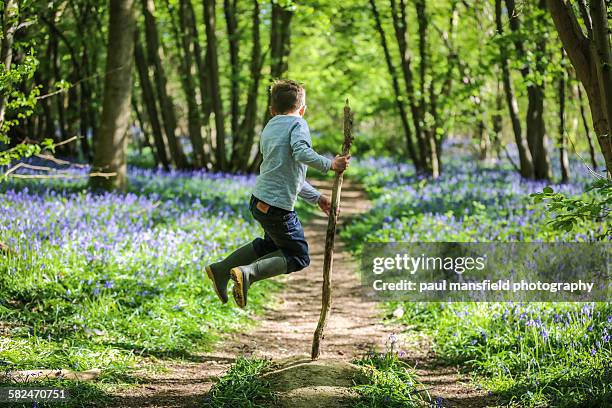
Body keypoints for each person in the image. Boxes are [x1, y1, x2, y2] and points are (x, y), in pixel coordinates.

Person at [205, 79, 350, 308]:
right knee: (298, 256)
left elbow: (288, 175)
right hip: (277, 208)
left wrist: (317, 197)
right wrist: (329, 164)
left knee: (270, 246)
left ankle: (221, 269)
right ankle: (248, 274)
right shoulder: (297, 125)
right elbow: (302, 152)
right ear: (302, 110)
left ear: (272, 110)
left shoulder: (270, 127)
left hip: (260, 201)